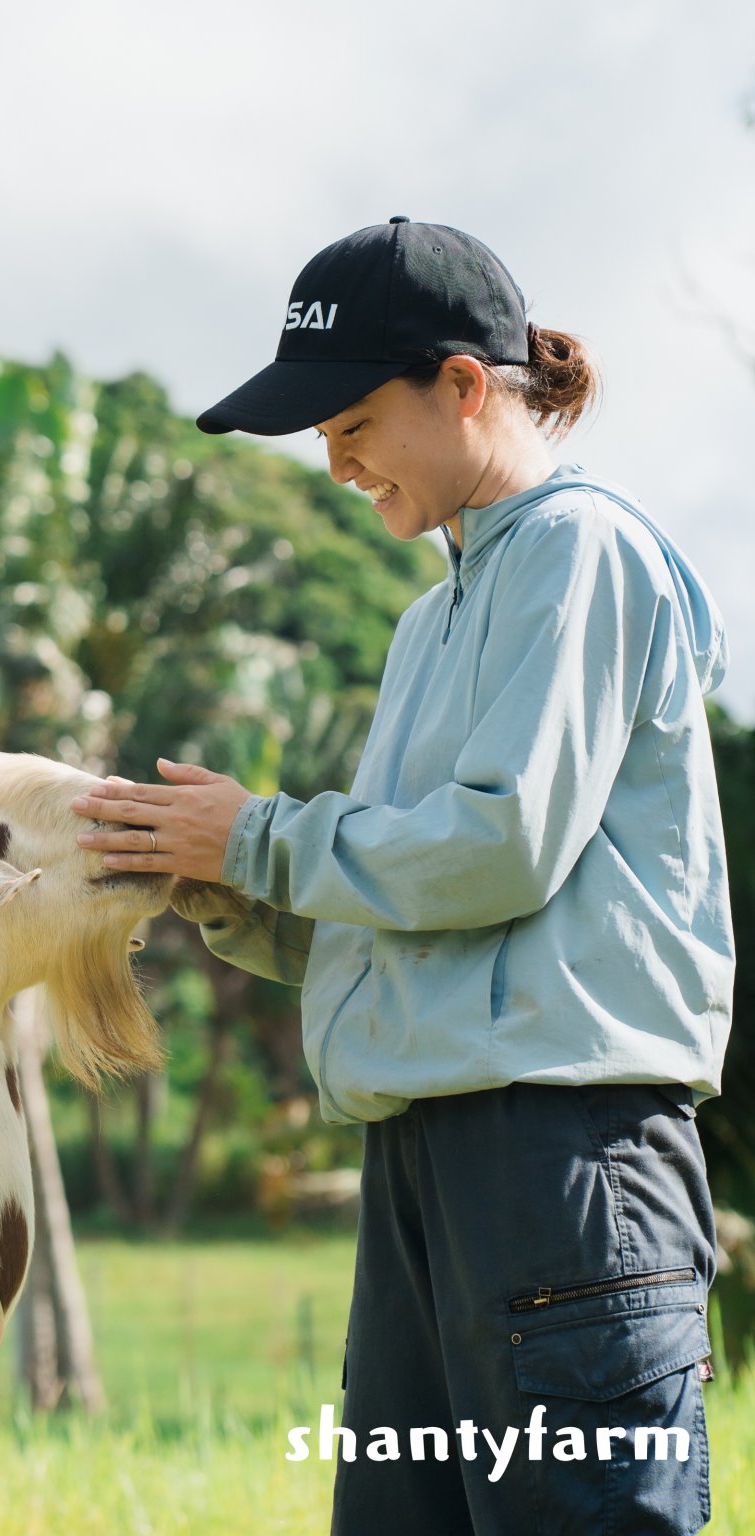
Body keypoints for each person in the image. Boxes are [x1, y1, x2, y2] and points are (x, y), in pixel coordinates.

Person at [69, 217, 734, 1536]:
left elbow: (500, 849)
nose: (334, 463)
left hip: (565, 1159)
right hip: (428, 1161)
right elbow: (422, 917)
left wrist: (260, 837)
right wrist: (227, 892)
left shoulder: (577, 549)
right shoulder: (431, 616)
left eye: (351, 420)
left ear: (465, 384)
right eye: (319, 435)